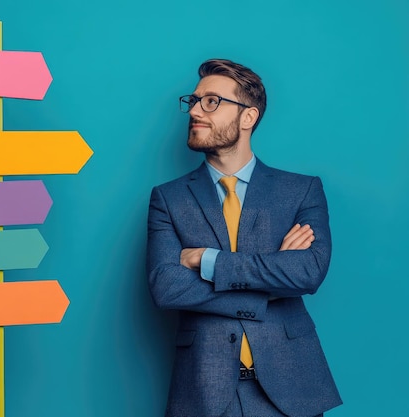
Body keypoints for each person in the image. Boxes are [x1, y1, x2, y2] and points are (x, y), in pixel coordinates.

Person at [146, 59, 342, 417]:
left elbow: (306, 274)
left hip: (292, 389)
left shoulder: (301, 191)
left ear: (248, 117)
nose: (195, 111)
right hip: (203, 392)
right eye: (193, 101)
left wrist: (207, 260)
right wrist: (273, 276)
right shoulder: (168, 198)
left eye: (211, 101)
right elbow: (166, 287)